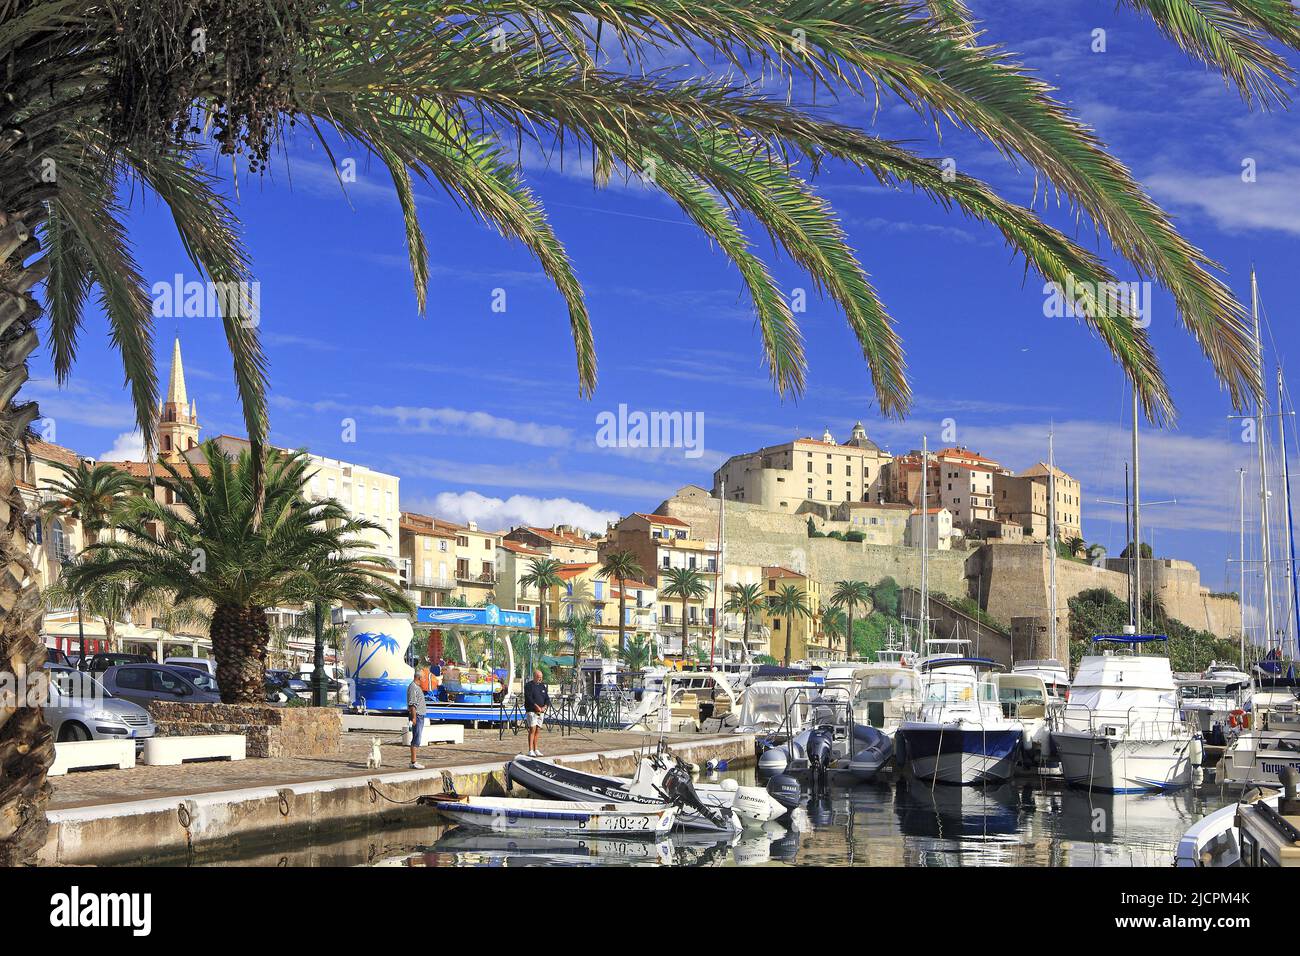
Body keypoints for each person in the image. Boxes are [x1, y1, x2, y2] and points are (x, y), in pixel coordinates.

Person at [524, 669, 550, 757]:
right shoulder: (528, 685)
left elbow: (547, 698)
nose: (540, 679)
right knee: (532, 729)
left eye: (541, 677)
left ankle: (536, 749)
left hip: (541, 711)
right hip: (532, 710)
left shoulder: (542, 686)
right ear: (535, 676)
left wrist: (545, 706)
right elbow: (529, 698)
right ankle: (530, 750)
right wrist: (536, 706)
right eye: (539, 677)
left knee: (538, 730)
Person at [407, 667, 428, 769]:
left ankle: (414, 761)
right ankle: (413, 761)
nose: (424, 680)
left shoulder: (417, 687)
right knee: (416, 738)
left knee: (417, 738)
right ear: (418, 678)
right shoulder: (413, 688)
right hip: (417, 716)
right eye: (423, 678)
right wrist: (414, 718)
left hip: (420, 715)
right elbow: (412, 705)